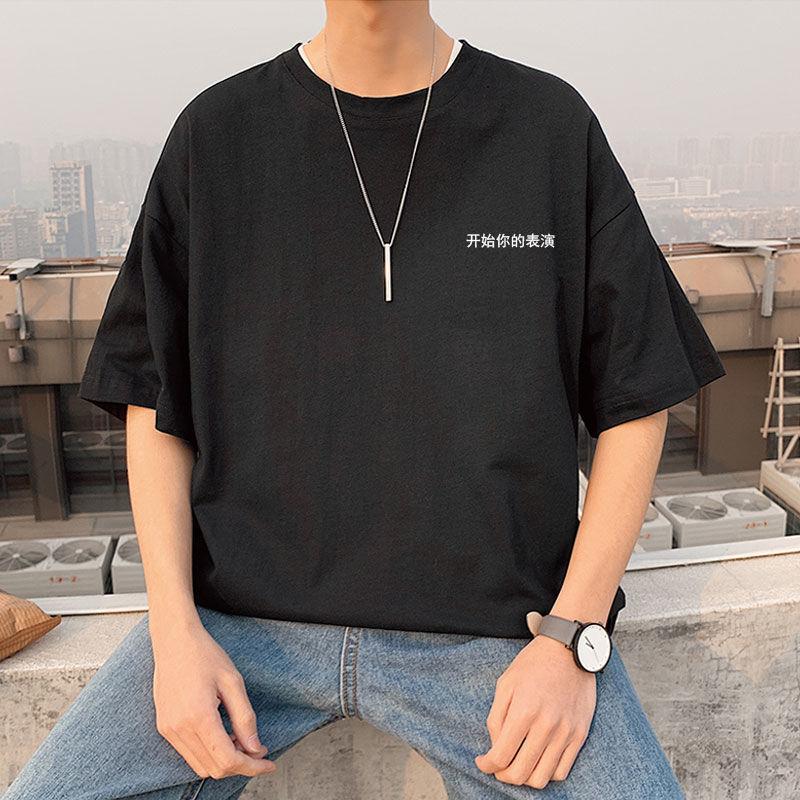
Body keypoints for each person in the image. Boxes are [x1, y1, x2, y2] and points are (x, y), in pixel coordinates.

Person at [2, 1, 726, 798]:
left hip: (496, 634)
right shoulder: (217, 133)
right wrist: (173, 633)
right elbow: (153, 399)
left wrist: (570, 637)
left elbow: (636, 395)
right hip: (239, 624)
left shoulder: (546, 125)